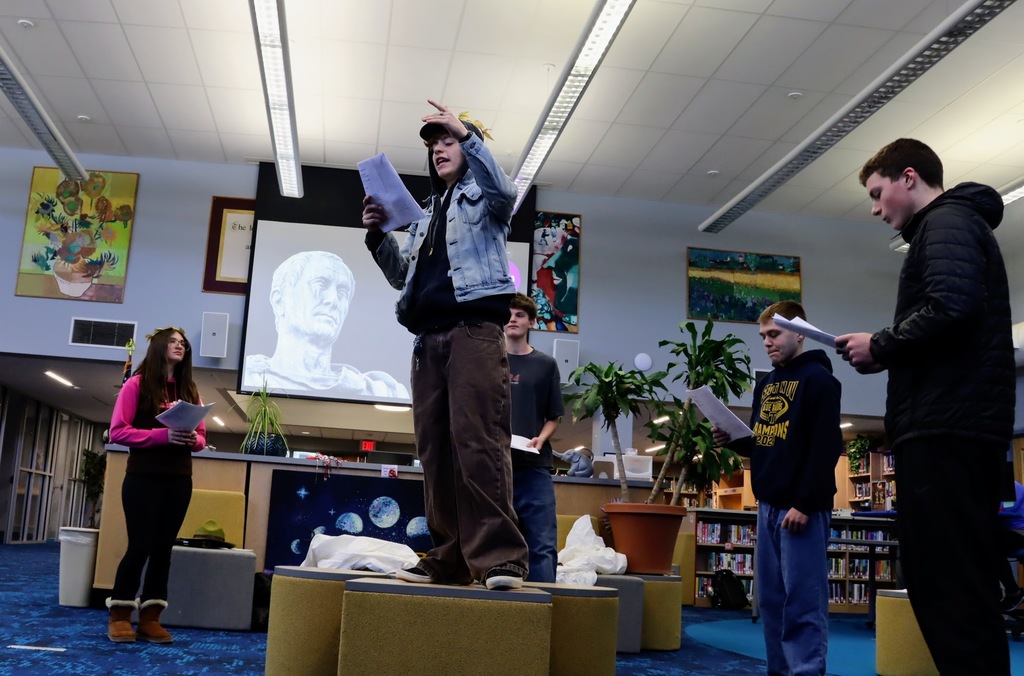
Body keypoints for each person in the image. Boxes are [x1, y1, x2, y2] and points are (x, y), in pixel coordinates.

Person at [835, 137, 1014, 675]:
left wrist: (882, 345)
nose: (874, 207)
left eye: (877, 191)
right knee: (954, 584)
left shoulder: (946, 224)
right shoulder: (948, 228)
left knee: (949, 585)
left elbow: (951, 306)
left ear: (908, 177)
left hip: (947, 429)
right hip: (955, 425)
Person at [361, 99, 529, 590]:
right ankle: (449, 559)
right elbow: (401, 278)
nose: (438, 150)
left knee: (478, 443)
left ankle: (501, 558)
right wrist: (377, 237)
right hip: (426, 340)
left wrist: (467, 131)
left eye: (447, 140)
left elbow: (506, 191)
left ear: (467, 145)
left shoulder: (484, 197)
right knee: (435, 453)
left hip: (474, 332)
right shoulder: (424, 214)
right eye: (434, 145)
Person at [712, 301, 842, 676]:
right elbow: (766, 442)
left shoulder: (820, 380)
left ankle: (806, 671)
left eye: (774, 334)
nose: (767, 343)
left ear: (799, 332)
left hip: (801, 509)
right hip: (767, 506)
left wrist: (805, 502)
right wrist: (734, 439)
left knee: (802, 602)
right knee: (771, 601)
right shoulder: (766, 384)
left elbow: (825, 446)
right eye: (763, 337)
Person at [105, 327, 207, 644]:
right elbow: (118, 432)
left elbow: (202, 438)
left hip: (179, 479)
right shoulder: (137, 384)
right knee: (140, 546)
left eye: (183, 344)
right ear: (160, 346)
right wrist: (161, 436)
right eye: (174, 342)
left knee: (163, 549)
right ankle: (120, 615)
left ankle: (150, 618)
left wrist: (194, 440)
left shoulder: (190, 390)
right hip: (143, 477)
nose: (180, 346)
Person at [242, 250, 408, 399]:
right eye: (320, 284)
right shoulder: (251, 376)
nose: (333, 300)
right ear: (279, 300)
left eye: (342, 292)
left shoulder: (381, 390)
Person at [505, 293, 564, 582]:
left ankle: (543, 604)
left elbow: (554, 416)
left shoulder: (546, 364)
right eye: (509, 314)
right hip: (493, 467)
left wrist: (540, 439)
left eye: (519, 315)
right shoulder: (487, 361)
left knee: (541, 544)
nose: (512, 319)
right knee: (492, 542)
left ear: (531, 322)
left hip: (533, 467)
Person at [997, 481, 1024, 611]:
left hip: (1019, 529)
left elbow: (1006, 509)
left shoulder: (1012, 486)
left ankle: (1013, 593)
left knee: (990, 547)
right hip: (1005, 530)